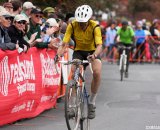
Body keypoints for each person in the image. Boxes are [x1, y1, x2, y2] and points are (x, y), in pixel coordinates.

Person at [56, 5, 102, 119]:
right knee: (74, 75)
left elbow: (99, 45)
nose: (82, 24)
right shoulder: (72, 25)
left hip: (92, 51)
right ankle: (72, 107)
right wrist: (58, 54)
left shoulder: (95, 26)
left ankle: (92, 103)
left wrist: (95, 55)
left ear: (89, 19)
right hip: (79, 52)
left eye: (84, 22)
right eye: (80, 22)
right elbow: (64, 43)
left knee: (97, 73)